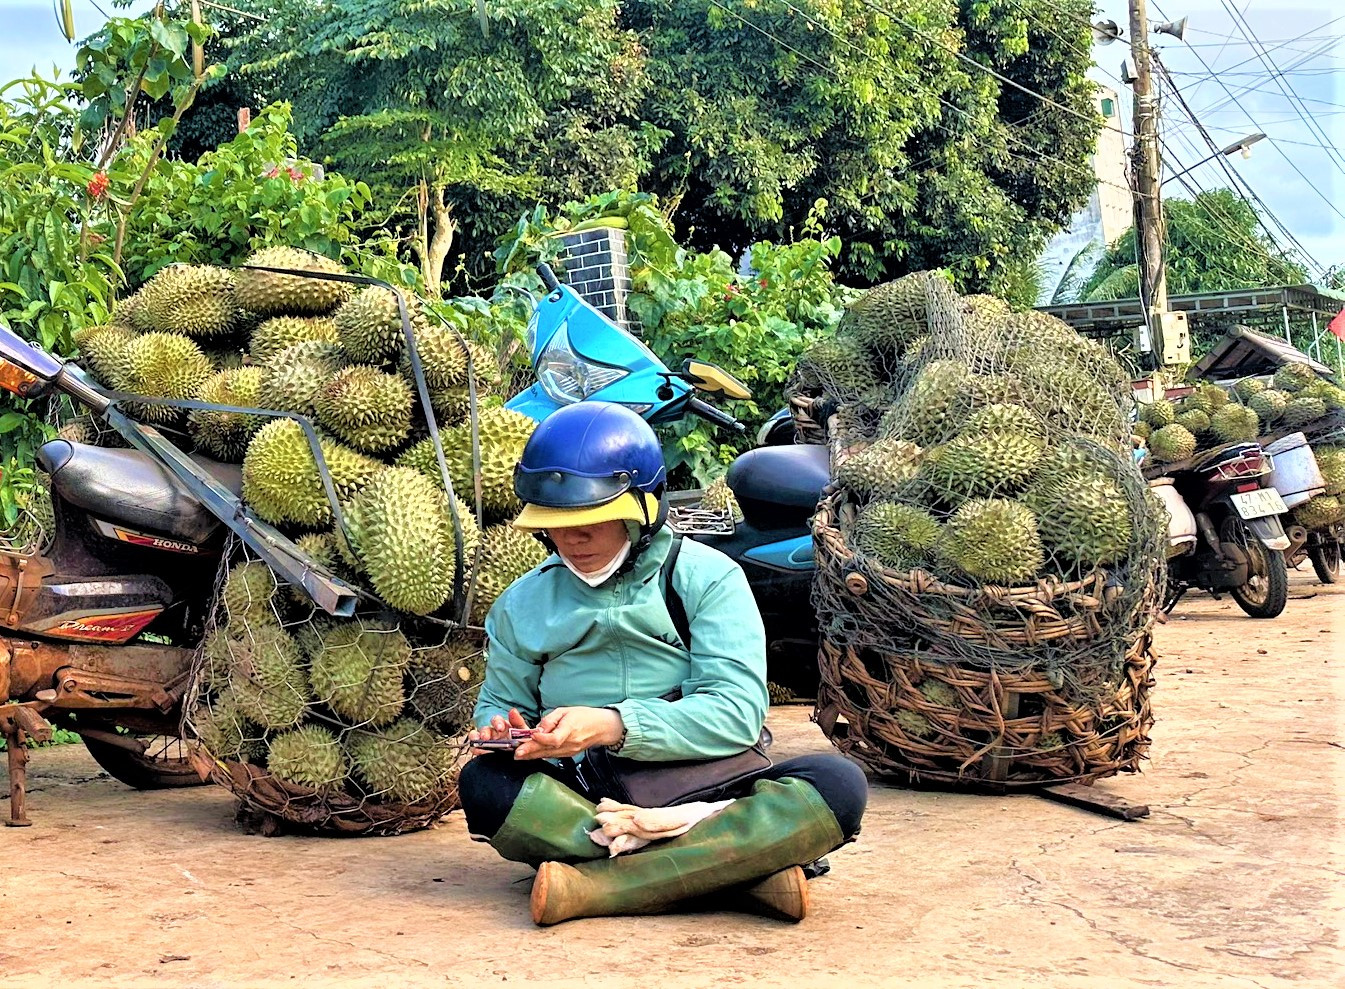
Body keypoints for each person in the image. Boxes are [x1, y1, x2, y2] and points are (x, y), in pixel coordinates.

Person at [457, 401, 867, 926]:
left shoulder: (707, 577)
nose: (572, 539)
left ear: (645, 509)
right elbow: (502, 701)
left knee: (837, 784)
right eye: (555, 523)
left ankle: (596, 887)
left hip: (705, 786)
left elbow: (736, 713)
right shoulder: (521, 604)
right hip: (581, 796)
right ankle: (739, 869)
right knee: (485, 785)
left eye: (592, 520)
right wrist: (502, 731)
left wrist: (612, 725)